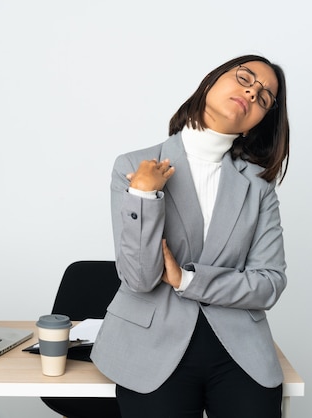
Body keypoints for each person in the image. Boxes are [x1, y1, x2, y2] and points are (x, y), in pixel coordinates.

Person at [90, 54, 290, 418]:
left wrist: (187, 279)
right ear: (210, 83)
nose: (252, 92)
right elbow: (139, 278)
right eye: (245, 78)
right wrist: (144, 196)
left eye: (263, 98)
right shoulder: (134, 167)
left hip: (240, 350)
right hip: (149, 346)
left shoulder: (258, 186)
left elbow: (269, 284)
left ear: (255, 124)